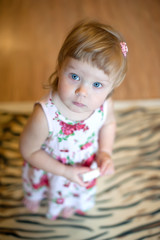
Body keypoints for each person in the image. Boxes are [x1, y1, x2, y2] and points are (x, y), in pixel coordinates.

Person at [19, 20, 128, 220]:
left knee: (74, 191)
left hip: (83, 164)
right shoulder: (44, 115)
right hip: (51, 168)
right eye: (75, 76)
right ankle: (35, 196)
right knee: (45, 189)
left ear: (112, 86)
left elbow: (108, 124)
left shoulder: (105, 104)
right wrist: (65, 172)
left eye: (97, 84)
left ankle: (69, 202)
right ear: (60, 67)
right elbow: (28, 150)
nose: (82, 92)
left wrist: (105, 152)